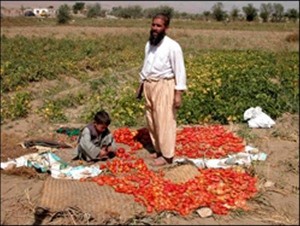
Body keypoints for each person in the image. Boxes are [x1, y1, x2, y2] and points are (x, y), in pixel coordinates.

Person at [137, 13, 187, 166]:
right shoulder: (149, 45)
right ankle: (158, 150)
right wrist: (140, 85)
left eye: (159, 26)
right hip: (149, 84)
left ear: (166, 28)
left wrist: (178, 93)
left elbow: (180, 70)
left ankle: (167, 156)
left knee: (164, 120)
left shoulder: (173, 46)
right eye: (153, 25)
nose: (155, 28)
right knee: (152, 119)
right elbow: (147, 66)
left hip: (164, 85)